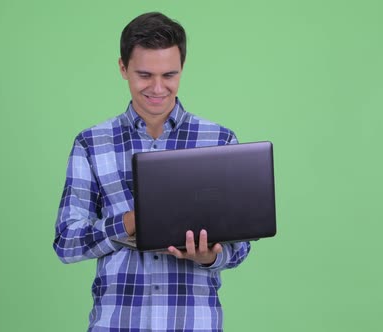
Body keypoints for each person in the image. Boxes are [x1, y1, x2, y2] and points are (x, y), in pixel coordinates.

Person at [53, 12, 251, 331]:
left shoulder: (219, 141)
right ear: (123, 68)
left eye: (169, 75)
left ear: (182, 69)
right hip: (117, 323)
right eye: (145, 75)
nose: (158, 88)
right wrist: (130, 222)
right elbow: (66, 241)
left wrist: (210, 257)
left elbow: (240, 247)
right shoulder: (91, 143)